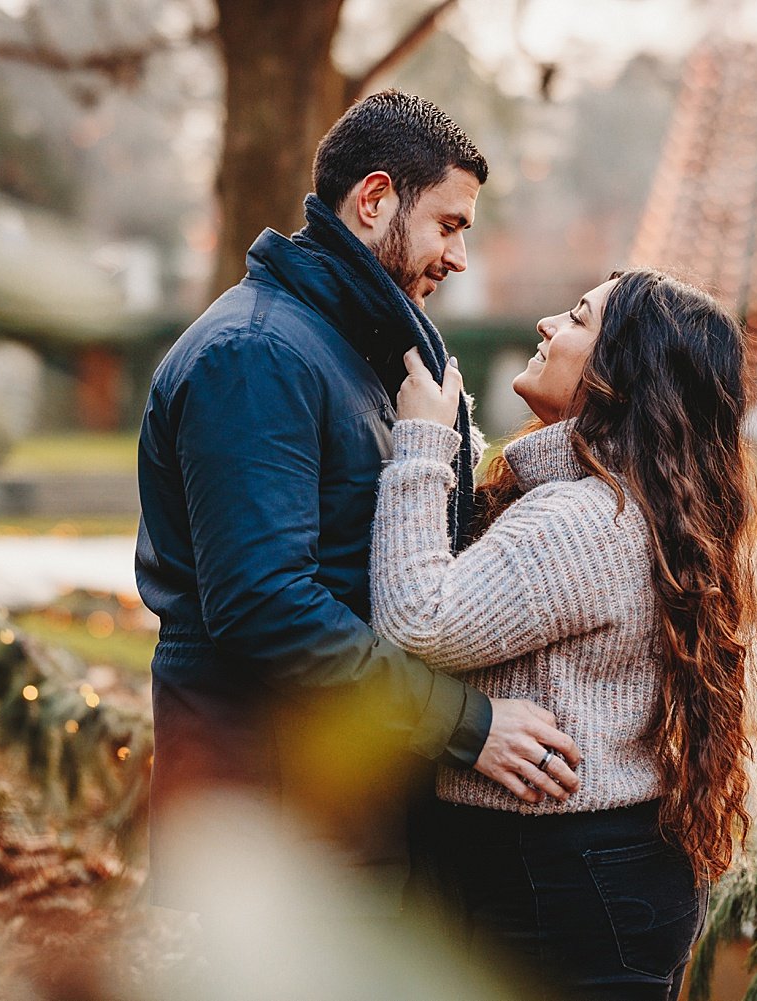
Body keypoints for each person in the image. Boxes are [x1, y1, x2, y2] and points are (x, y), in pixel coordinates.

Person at [135, 90, 580, 908]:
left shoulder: (360, 350)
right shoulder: (257, 355)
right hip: (267, 823)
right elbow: (268, 606)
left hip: (332, 807)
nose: (459, 259)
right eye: (449, 226)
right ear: (374, 200)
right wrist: (467, 726)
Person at [372, 269, 757, 1000]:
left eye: (580, 319)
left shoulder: (585, 523)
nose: (547, 324)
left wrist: (424, 442)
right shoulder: (621, 501)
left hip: (567, 882)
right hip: (595, 872)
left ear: (620, 375)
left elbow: (419, 618)